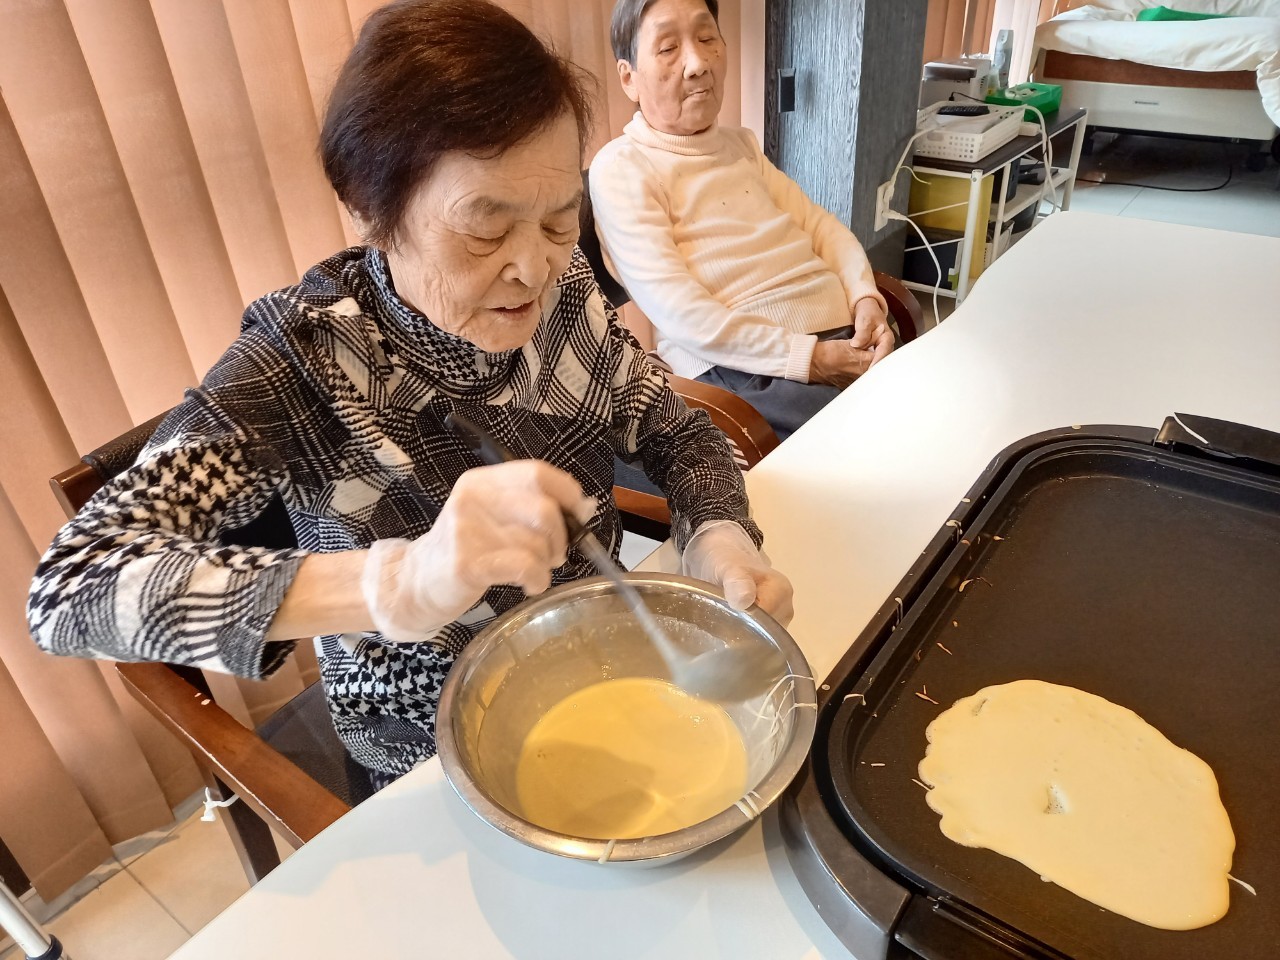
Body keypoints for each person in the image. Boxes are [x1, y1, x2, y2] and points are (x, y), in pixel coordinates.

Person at [26, 0, 792, 790]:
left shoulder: (565, 293)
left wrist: (718, 532)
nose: (532, 269)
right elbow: (72, 589)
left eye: (560, 222)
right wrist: (399, 583)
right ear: (373, 208)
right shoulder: (300, 368)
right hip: (428, 749)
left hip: (602, 664)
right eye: (486, 231)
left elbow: (673, 431)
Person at [590, 0, 895, 442]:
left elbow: (821, 228)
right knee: (890, 444)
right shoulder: (622, 167)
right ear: (628, 78)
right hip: (748, 371)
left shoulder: (741, 145)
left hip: (839, 336)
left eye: (707, 38)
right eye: (668, 48)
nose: (697, 63)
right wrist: (812, 359)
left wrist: (865, 298)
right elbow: (682, 314)